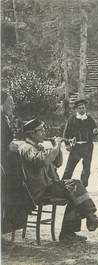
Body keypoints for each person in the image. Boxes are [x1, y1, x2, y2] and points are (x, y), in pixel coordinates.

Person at [19, 118, 98, 242]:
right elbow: (44, 161)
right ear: (32, 133)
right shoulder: (26, 148)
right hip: (39, 190)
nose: (44, 132)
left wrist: (58, 147)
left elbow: (57, 163)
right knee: (75, 184)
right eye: (41, 130)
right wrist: (57, 145)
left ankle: (68, 233)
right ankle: (91, 218)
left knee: (76, 196)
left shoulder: (37, 146)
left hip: (47, 186)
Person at [1, 91, 34, 235]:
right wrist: (6, 147)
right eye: (10, 102)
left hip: (9, 166)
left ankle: (7, 228)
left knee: (18, 193)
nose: (13, 106)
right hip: (4, 167)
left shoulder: (5, 119)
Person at [62, 99, 98, 187]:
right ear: (76, 109)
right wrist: (67, 145)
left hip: (87, 146)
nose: (82, 110)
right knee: (69, 168)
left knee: (86, 169)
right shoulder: (72, 120)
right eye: (80, 108)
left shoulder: (89, 119)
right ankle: (63, 185)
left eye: (83, 108)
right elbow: (65, 133)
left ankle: (83, 186)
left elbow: (95, 130)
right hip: (76, 146)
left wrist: (95, 131)